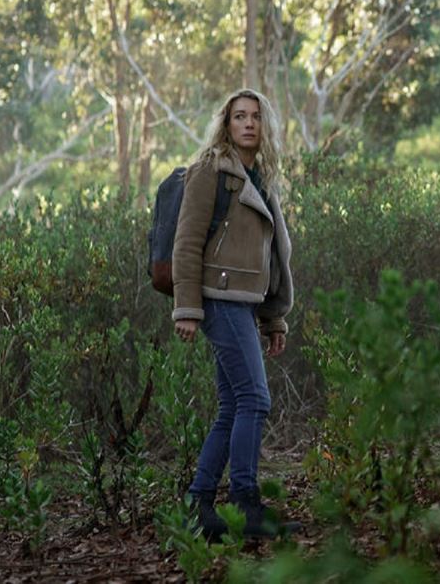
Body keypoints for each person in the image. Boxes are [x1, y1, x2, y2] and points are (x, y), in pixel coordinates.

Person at [172, 88, 296, 540]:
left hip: (245, 302)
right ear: (226, 124)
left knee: (233, 405)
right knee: (255, 399)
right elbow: (187, 243)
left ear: (266, 127)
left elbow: (271, 256)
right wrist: (187, 308)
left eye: (256, 117)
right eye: (239, 116)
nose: (248, 124)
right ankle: (244, 503)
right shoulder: (210, 170)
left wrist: (273, 317)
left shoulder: (260, 177)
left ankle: (198, 505)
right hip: (217, 299)